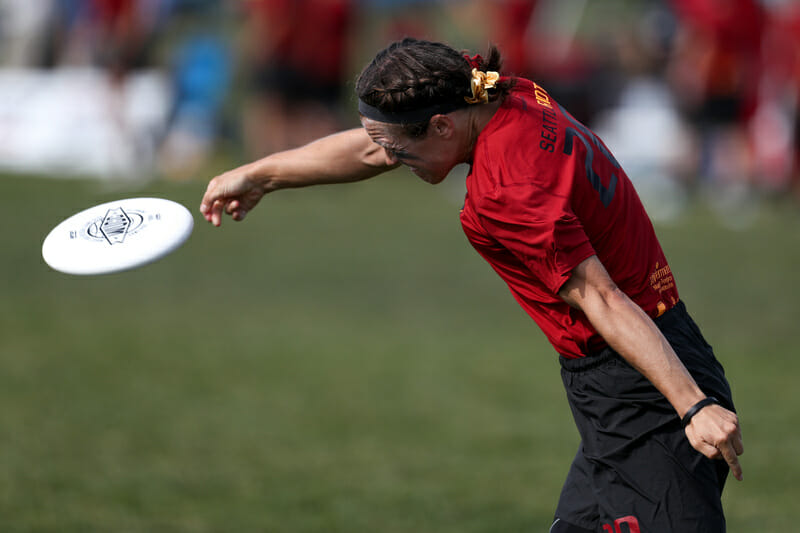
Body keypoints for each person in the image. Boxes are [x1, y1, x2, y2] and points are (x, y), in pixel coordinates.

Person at [200, 38, 743, 532]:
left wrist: (693, 407)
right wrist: (261, 175)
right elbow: (372, 147)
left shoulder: (507, 190)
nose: (394, 161)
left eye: (401, 151)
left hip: (642, 388)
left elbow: (600, 296)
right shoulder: (502, 93)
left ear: (440, 126)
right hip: (646, 362)